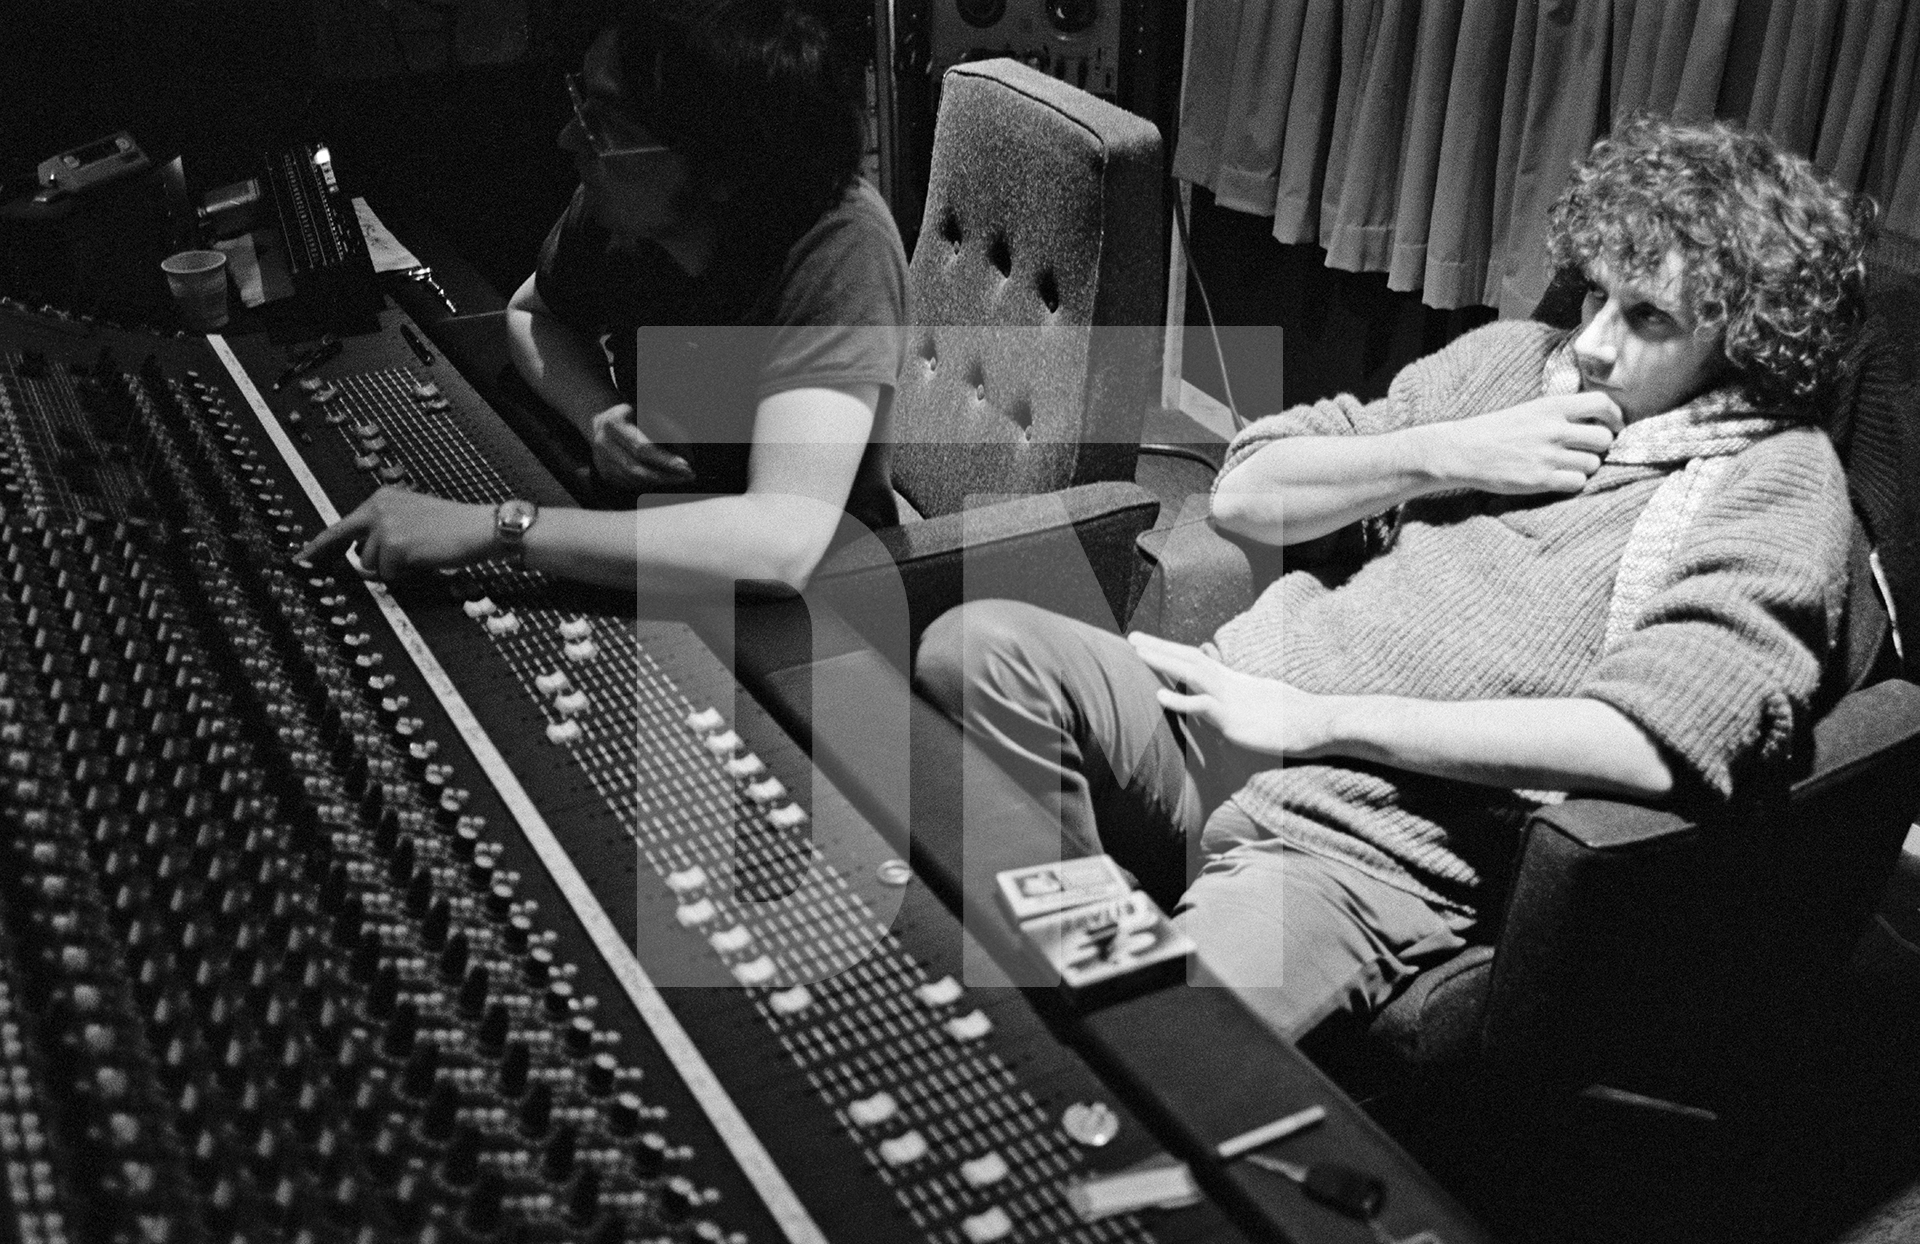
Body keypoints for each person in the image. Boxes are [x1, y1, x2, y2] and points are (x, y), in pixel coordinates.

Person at [916, 115, 1873, 1041]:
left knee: (1163, 1047)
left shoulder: (1775, 480)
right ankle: (1091, 967)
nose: (1590, 342)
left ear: (1742, 340)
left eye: (1647, 317)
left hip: (1365, 842)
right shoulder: (1512, 367)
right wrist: (1448, 451)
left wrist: (1313, 719)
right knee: (976, 648)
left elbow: (1652, 741)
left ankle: (1107, 1022)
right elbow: (1245, 494)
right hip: (1209, 712)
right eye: (1594, 296)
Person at [302, 0, 908, 594]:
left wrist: (500, 529)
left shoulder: (839, 247)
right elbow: (530, 315)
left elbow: (782, 543)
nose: (570, 138)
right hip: (654, 543)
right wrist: (595, 414)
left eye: (605, 126)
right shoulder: (625, 208)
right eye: (580, 105)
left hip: (816, 619)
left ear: (722, 167)